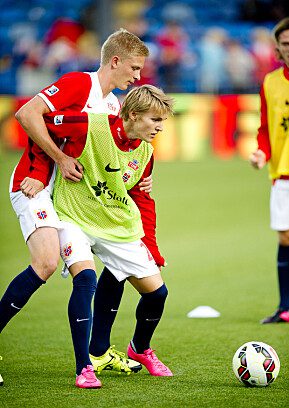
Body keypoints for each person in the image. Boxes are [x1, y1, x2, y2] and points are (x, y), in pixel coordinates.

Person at [0, 29, 153, 374]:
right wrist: (56, 160)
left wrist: (139, 177)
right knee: (45, 263)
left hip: (69, 199)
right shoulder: (78, 84)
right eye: (134, 67)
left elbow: (110, 159)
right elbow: (27, 114)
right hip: (34, 184)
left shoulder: (114, 105)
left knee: (99, 266)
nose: (138, 76)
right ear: (115, 61)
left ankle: (95, 355)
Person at [44, 84, 174, 387]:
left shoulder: (145, 151)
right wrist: (52, 163)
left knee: (157, 294)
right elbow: (42, 121)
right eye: (154, 120)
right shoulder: (93, 124)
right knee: (86, 280)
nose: (159, 128)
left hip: (117, 224)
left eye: (163, 122)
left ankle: (139, 349)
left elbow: (142, 200)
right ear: (131, 114)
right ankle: (84, 367)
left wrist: (151, 248)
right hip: (74, 216)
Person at [250, 17, 289, 324]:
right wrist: (262, 152)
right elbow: (265, 127)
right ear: (278, 48)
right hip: (283, 173)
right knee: (286, 238)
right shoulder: (270, 82)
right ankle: (285, 307)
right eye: (286, 44)